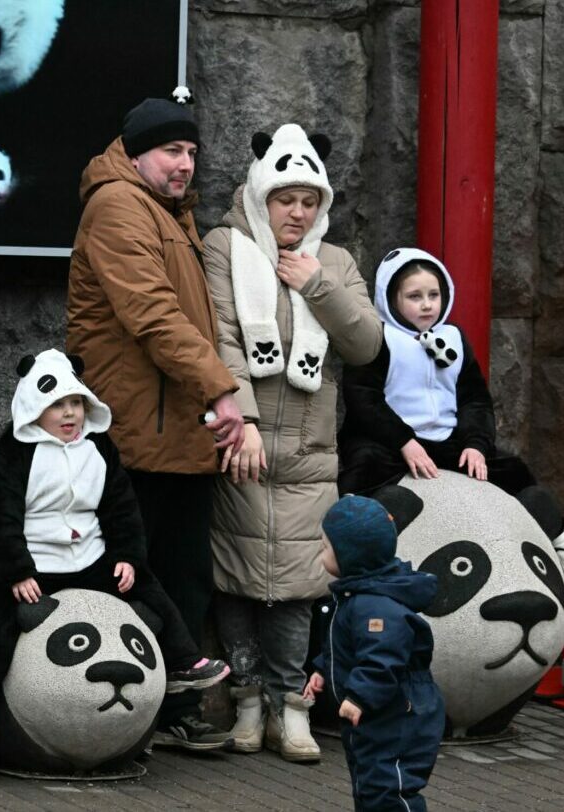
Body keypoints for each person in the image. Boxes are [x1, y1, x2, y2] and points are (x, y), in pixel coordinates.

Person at [67, 89, 243, 751]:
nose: (185, 163)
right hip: (136, 435)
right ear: (138, 152)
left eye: (192, 151)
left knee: (183, 577)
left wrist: (213, 398)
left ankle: (172, 713)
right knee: (132, 574)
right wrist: (223, 395)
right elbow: (153, 317)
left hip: (181, 434)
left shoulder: (170, 212)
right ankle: (124, 717)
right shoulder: (117, 206)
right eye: (172, 149)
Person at [201, 123, 382, 762]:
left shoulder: (334, 261)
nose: (298, 212)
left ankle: (292, 708)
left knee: (299, 587)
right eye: (286, 199)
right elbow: (222, 335)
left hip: (308, 457)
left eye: (309, 200)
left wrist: (315, 284)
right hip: (240, 446)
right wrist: (243, 420)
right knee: (238, 580)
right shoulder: (225, 245)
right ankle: (247, 703)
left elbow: (365, 345)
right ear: (261, 196)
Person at [0, 349, 231, 744]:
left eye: (76, 403)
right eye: (57, 405)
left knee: (150, 589)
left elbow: (121, 508)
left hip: (89, 558)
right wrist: (16, 570)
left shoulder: (98, 447)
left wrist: (128, 557)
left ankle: (183, 662)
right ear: (34, 407)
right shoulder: (11, 454)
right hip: (32, 563)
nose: (69, 414)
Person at [338, 247, 564, 595]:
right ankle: (355, 566)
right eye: (414, 296)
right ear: (391, 299)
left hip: (446, 440)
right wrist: (402, 441)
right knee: (361, 474)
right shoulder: (379, 340)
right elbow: (363, 398)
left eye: (434, 295)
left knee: (514, 471)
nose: (427, 304)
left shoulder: (453, 338)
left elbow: (475, 399)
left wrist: (475, 444)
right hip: (391, 442)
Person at [304, 494, 444, 812]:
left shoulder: (376, 605)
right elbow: (346, 645)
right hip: (376, 716)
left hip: (396, 714)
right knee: (370, 785)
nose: (320, 552)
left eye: (326, 547)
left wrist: (360, 697)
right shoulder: (357, 594)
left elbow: (383, 657)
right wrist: (323, 669)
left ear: (352, 555)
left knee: (390, 789)